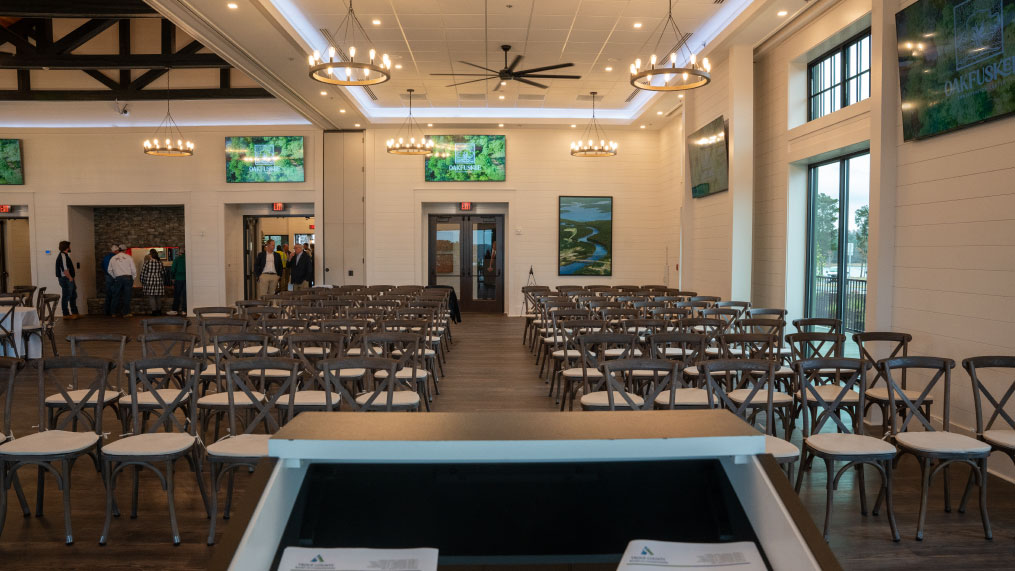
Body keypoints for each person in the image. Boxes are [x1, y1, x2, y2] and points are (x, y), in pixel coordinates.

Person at [108, 244, 137, 318]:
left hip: (118, 278)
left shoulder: (113, 258)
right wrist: (133, 278)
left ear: (119, 249)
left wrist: (115, 277)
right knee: (127, 296)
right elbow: (133, 269)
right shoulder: (129, 257)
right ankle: (126, 313)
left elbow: (109, 270)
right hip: (128, 278)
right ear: (125, 250)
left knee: (116, 295)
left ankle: (113, 312)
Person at [55, 240, 80, 319]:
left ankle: (74, 313)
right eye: (69, 246)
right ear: (67, 247)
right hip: (66, 278)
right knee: (66, 296)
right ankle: (65, 314)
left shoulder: (64, 255)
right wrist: (70, 278)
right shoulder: (63, 256)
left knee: (73, 295)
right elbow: (65, 269)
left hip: (67, 278)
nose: (70, 247)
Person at [140, 248, 166, 316]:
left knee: (152, 297)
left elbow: (143, 273)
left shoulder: (147, 263)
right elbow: (163, 272)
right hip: (158, 281)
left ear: (150, 255)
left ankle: (154, 311)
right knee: (158, 297)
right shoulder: (160, 263)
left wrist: (142, 281)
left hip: (150, 281)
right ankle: (159, 311)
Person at [101, 244, 119, 316]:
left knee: (108, 294)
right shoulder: (115, 258)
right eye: (117, 251)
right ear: (115, 251)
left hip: (107, 277)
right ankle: (113, 312)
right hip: (114, 277)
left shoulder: (106, 257)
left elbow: (103, 266)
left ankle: (107, 311)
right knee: (115, 294)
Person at [169, 248, 187, 316]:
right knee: (185, 295)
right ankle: (184, 310)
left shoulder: (177, 259)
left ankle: (175, 310)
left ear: (179, 252)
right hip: (186, 279)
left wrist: (173, 278)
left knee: (177, 295)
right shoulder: (187, 259)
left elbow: (173, 269)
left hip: (178, 279)